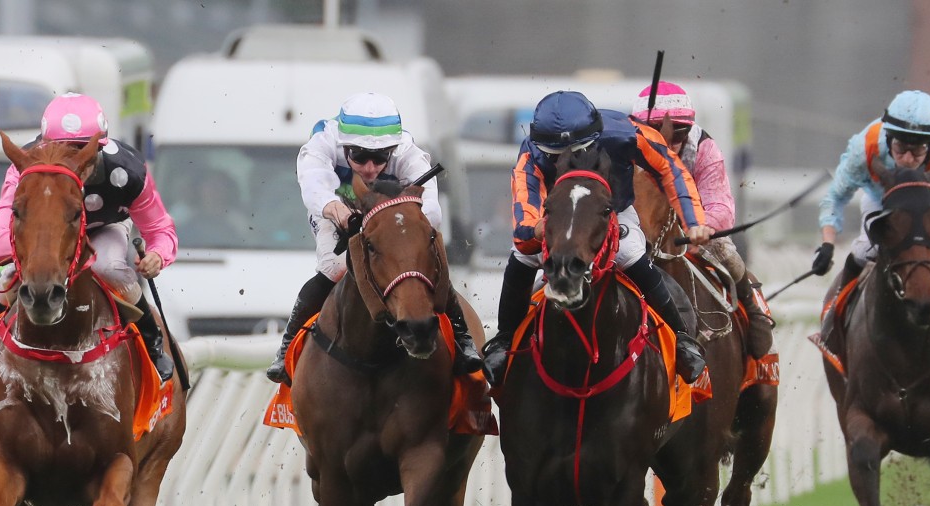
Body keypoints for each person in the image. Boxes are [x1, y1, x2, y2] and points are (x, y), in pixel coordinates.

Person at [481, 90, 712, 385]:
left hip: (612, 211)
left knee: (630, 254)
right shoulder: (531, 153)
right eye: (555, 156)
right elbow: (524, 218)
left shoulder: (628, 134)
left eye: (575, 152)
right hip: (559, 216)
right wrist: (538, 229)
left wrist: (693, 221)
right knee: (524, 257)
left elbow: (670, 169)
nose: (565, 161)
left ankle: (682, 340)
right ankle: (504, 340)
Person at [265, 92, 483, 385]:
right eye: (358, 156)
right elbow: (315, 188)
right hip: (336, 207)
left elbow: (430, 211)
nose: (369, 167)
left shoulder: (408, 152)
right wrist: (341, 213)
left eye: (380, 157)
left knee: (427, 253)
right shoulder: (322, 142)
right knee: (335, 267)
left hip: (391, 215)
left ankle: (463, 338)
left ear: (392, 149)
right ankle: (286, 348)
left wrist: (405, 229)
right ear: (344, 146)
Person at [0, 92, 178, 381]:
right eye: (63, 150)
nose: (74, 161)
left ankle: (152, 341)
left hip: (103, 227)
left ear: (100, 149)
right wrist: (38, 248)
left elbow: (160, 229)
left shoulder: (128, 171)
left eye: (83, 151)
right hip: (48, 233)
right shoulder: (25, 168)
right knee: (11, 275)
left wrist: (157, 255)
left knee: (107, 266)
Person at [815, 89, 930, 341]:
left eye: (916, 151)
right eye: (900, 148)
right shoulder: (866, 144)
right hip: (883, 200)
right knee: (863, 250)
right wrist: (827, 244)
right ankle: (833, 325)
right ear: (888, 138)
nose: (906, 159)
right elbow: (835, 197)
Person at [631, 81, 774, 358]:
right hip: (636, 230)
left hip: (691, 229)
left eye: (680, 131)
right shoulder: (623, 148)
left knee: (727, 253)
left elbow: (720, 202)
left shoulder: (703, 148)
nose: (670, 142)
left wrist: (703, 226)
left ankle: (752, 308)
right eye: (656, 131)